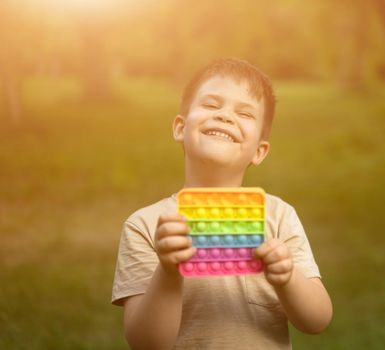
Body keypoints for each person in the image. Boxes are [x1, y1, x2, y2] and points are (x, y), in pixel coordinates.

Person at [111, 58, 333, 349]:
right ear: (180, 128)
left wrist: (287, 277)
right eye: (212, 105)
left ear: (259, 151)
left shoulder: (279, 216)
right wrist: (167, 271)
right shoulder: (146, 225)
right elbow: (148, 344)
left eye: (244, 113)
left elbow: (317, 320)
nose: (225, 116)